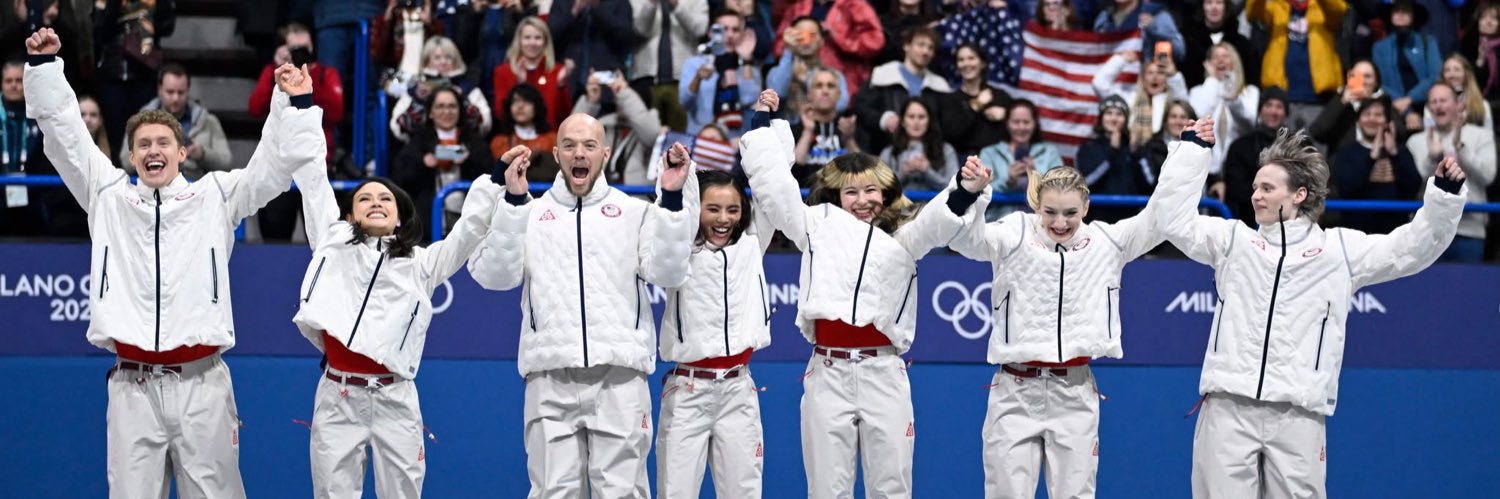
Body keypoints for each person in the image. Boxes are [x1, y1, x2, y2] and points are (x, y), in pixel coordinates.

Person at [24, 27, 322, 498]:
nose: (153, 151)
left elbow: (271, 170)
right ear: (129, 155)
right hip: (131, 388)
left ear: (182, 152)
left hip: (202, 383)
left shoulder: (215, 195)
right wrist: (44, 69)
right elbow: (64, 135)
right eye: (143, 144)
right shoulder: (106, 195)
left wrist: (292, 104)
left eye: (163, 142)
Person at [1153, 117, 1469, 499]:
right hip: (1227, 408)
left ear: (1299, 194)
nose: (1256, 196)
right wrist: (1191, 152)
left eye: (1267, 188)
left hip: (1298, 414)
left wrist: (1444, 196)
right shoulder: (1233, 240)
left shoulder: (1339, 252)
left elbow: (1413, 248)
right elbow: (1171, 221)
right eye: (1255, 187)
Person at [738, 89, 991, 499]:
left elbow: (939, 224)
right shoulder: (816, 225)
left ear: (887, 193)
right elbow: (775, 188)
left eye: (871, 190)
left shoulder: (905, 237)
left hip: (884, 374)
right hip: (828, 372)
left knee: (891, 488)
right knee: (826, 490)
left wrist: (964, 188)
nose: (862, 201)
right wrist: (761, 126)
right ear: (836, 195)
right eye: (851, 192)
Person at [951, 115, 1192, 499]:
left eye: (1070, 213)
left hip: (1075, 392)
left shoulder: (1108, 242)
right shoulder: (1013, 233)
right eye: (1050, 212)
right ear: (1037, 205)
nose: (1059, 223)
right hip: (1014, 391)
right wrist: (969, 192)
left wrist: (1190, 152)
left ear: (1087, 206)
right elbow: (964, 239)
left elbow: (1160, 216)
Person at [467, 112, 697, 497]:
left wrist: (671, 197)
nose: (580, 153)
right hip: (550, 375)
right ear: (556, 154)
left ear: (605, 154)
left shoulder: (634, 211)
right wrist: (511, 204)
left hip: (620, 377)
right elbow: (495, 277)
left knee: (623, 493)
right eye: (570, 145)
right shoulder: (530, 211)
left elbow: (670, 273)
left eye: (589, 145)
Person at [291, 134, 507, 498]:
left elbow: (467, 231)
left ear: (398, 217)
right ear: (349, 215)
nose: (375, 203)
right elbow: (313, 181)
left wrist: (496, 180)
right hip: (338, 396)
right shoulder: (332, 243)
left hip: (396, 399)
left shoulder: (421, 263)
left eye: (385, 199)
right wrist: (298, 106)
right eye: (365, 199)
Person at [655, 168, 776, 498]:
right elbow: (668, 218)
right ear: (697, 209)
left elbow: (773, 183)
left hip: (739, 390)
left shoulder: (752, 246)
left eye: (733, 209)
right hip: (687, 392)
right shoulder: (677, 254)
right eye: (713, 209)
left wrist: (764, 123)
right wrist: (677, 181)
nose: (724, 219)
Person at [1405, 82, 1496, 262]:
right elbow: (1410, 185)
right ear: (1429, 108)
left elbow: (1488, 176)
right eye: (1434, 101)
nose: (1438, 105)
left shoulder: (1481, 135)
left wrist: (1461, 148)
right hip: (1427, 233)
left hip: (1469, 231)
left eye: (1443, 100)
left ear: (1458, 104)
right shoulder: (1415, 141)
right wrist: (1432, 158)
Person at [391, 86, 494, 241]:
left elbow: (491, 180)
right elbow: (399, 180)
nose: (447, 112)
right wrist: (422, 164)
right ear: (430, 112)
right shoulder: (418, 141)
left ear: (460, 110)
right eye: (440, 106)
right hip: (427, 226)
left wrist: (468, 163)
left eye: (452, 106)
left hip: (469, 226)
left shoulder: (473, 141)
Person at [1245, 0, 1347, 130]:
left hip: (1318, 99)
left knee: (1314, 149)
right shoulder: (1276, 7)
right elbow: (1253, 13)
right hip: (1282, 99)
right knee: (1281, 149)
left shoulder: (1322, 8)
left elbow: (1338, 10)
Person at [121, 64, 233, 180]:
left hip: (196, 188)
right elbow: (126, 161)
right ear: (159, 90)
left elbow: (226, 163)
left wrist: (202, 155)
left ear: (188, 91)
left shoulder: (208, 121)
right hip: (153, 188)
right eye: (170, 92)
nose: (175, 98)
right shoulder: (140, 121)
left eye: (181, 93)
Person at [1331, 95, 1423, 235]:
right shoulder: (1347, 152)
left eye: (1378, 115)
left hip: (1395, 233)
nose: (1372, 119)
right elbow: (1345, 189)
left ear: (1387, 121)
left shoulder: (1400, 151)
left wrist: (1394, 154)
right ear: (1359, 120)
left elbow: (1414, 186)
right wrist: (1372, 157)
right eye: (1367, 114)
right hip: (1356, 233)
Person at [853, 25, 950, 155]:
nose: (926, 51)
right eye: (921, 45)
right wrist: (883, 119)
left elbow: (945, 125)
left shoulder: (939, 85)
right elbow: (860, 107)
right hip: (885, 151)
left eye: (930, 48)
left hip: (927, 155)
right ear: (906, 46)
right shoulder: (882, 75)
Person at [771, 0, 884, 96]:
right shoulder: (799, 7)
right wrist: (793, 44)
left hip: (844, 83)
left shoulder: (855, 6)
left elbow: (875, 42)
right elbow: (779, 45)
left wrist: (839, 39)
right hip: (799, 85)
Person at [680, 10, 763, 137]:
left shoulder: (748, 67)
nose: (729, 35)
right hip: (702, 138)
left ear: (742, 34)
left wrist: (746, 60)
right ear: (711, 33)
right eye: (724, 29)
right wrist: (698, 78)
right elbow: (685, 102)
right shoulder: (694, 64)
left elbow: (749, 100)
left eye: (735, 30)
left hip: (736, 141)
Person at [629, 0, 706, 133]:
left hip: (683, 80)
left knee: (682, 140)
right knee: (647, 138)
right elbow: (640, 29)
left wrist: (676, 5)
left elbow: (700, 29)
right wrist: (651, 4)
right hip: (646, 78)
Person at [1188, 43, 1259, 183]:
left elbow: (1249, 123)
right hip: (1204, 168)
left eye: (1226, 56)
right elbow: (1198, 118)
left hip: (1239, 167)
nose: (1220, 60)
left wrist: (1232, 96)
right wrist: (1212, 81)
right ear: (1208, 63)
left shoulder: (1250, 92)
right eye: (1215, 57)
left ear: (1234, 61)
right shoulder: (1196, 92)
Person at [981, 99, 1064, 220]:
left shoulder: (1049, 152)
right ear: (1007, 124)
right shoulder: (989, 153)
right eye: (1016, 122)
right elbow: (981, 191)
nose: (1021, 127)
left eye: (1026, 122)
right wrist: (1008, 182)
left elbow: (1063, 189)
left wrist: (1037, 177)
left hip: (1042, 225)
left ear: (1035, 124)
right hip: (1000, 223)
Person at [1076, 95, 1149, 223]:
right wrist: (1112, 152)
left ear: (1126, 119)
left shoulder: (1135, 148)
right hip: (1096, 220)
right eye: (1109, 113)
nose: (1114, 118)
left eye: (1119, 114)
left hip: (1131, 221)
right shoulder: (1088, 148)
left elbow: (1150, 184)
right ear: (1101, 118)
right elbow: (1086, 182)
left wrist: (1135, 153)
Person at [1223, 87, 1291, 226]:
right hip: (1248, 220)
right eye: (1268, 105)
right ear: (1260, 110)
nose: (1273, 111)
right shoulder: (1240, 146)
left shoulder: (1296, 147)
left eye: (1279, 107)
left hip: (1288, 221)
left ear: (1285, 113)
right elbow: (1236, 187)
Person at [1372, 0, 1440, 131]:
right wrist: (1407, 111)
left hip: (1429, 107)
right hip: (1396, 110)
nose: (1401, 15)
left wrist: (1410, 99)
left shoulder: (1428, 42)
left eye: (1406, 11)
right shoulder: (1379, 47)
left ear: (1413, 16)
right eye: (1397, 11)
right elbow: (1380, 83)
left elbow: (1435, 76)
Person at [492, 16, 570, 130]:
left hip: (549, 139)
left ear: (545, 42)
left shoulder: (557, 71)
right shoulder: (503, 72)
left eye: (538, 38)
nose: (532, 43)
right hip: (515, 140)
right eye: (527, 38)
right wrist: (519, 85)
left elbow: (564, 116)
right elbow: (501, 114)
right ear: (519, 41)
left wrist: (561, 87)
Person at [939, 42, 1011, 158]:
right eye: (961, 60)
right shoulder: (950, 99)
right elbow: (950, 134)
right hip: (964, 161)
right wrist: (977, 105)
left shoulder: (1000, 96)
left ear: (982, 63)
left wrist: (1007, 116)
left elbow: (1019, 129)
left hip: (997, 161)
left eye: (971, 58)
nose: (966, 64)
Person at [880, 98, 957, 192]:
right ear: (903, 121)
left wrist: (927, 171)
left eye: (921, 117)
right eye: (911, 117)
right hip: (901, 206)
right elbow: (881, 190)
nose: (916, 122)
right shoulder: (888, 152)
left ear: (929, 121)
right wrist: (903, 173)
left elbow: (954, 188)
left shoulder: (946, 150)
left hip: (936, 205)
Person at [490, 83, 559, 183]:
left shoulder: (552, 140)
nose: (520, 106)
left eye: (526, 101)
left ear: (536, 106)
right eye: (515, 101)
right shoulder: (499, 142)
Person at [1422, 54, 1494, 133]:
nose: (1452, 75)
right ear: (1443, 76)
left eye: (1457, 70)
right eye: (1447, 70)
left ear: (1466, 74)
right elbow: (1430, 137)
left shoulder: (1482, 105)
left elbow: (1488, 138)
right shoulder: (1433, 106)